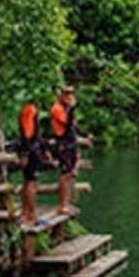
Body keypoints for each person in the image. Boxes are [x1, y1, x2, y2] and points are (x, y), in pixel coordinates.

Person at [50, 86, 81, 215]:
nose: (69, 96)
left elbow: (74, 126)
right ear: (60, 95)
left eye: (71, 93)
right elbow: (67, 124)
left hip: (71, 143)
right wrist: (72, 108)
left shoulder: (66, 109)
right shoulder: (57, 109)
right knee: (65, 174)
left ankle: (66, 204)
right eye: (66, 94)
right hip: (63, 144)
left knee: (70, 174)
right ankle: (63, 205)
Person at [17, 101, 46, 224]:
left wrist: (44, 150)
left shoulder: (28, 109)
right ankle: (31, 213)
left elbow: (36, 134)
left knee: (28, 181)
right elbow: (27, 134)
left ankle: (25, 212)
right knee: (31, 183)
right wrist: (25, 153)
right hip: (31, 150)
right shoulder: (29, 109)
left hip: (33, 148)